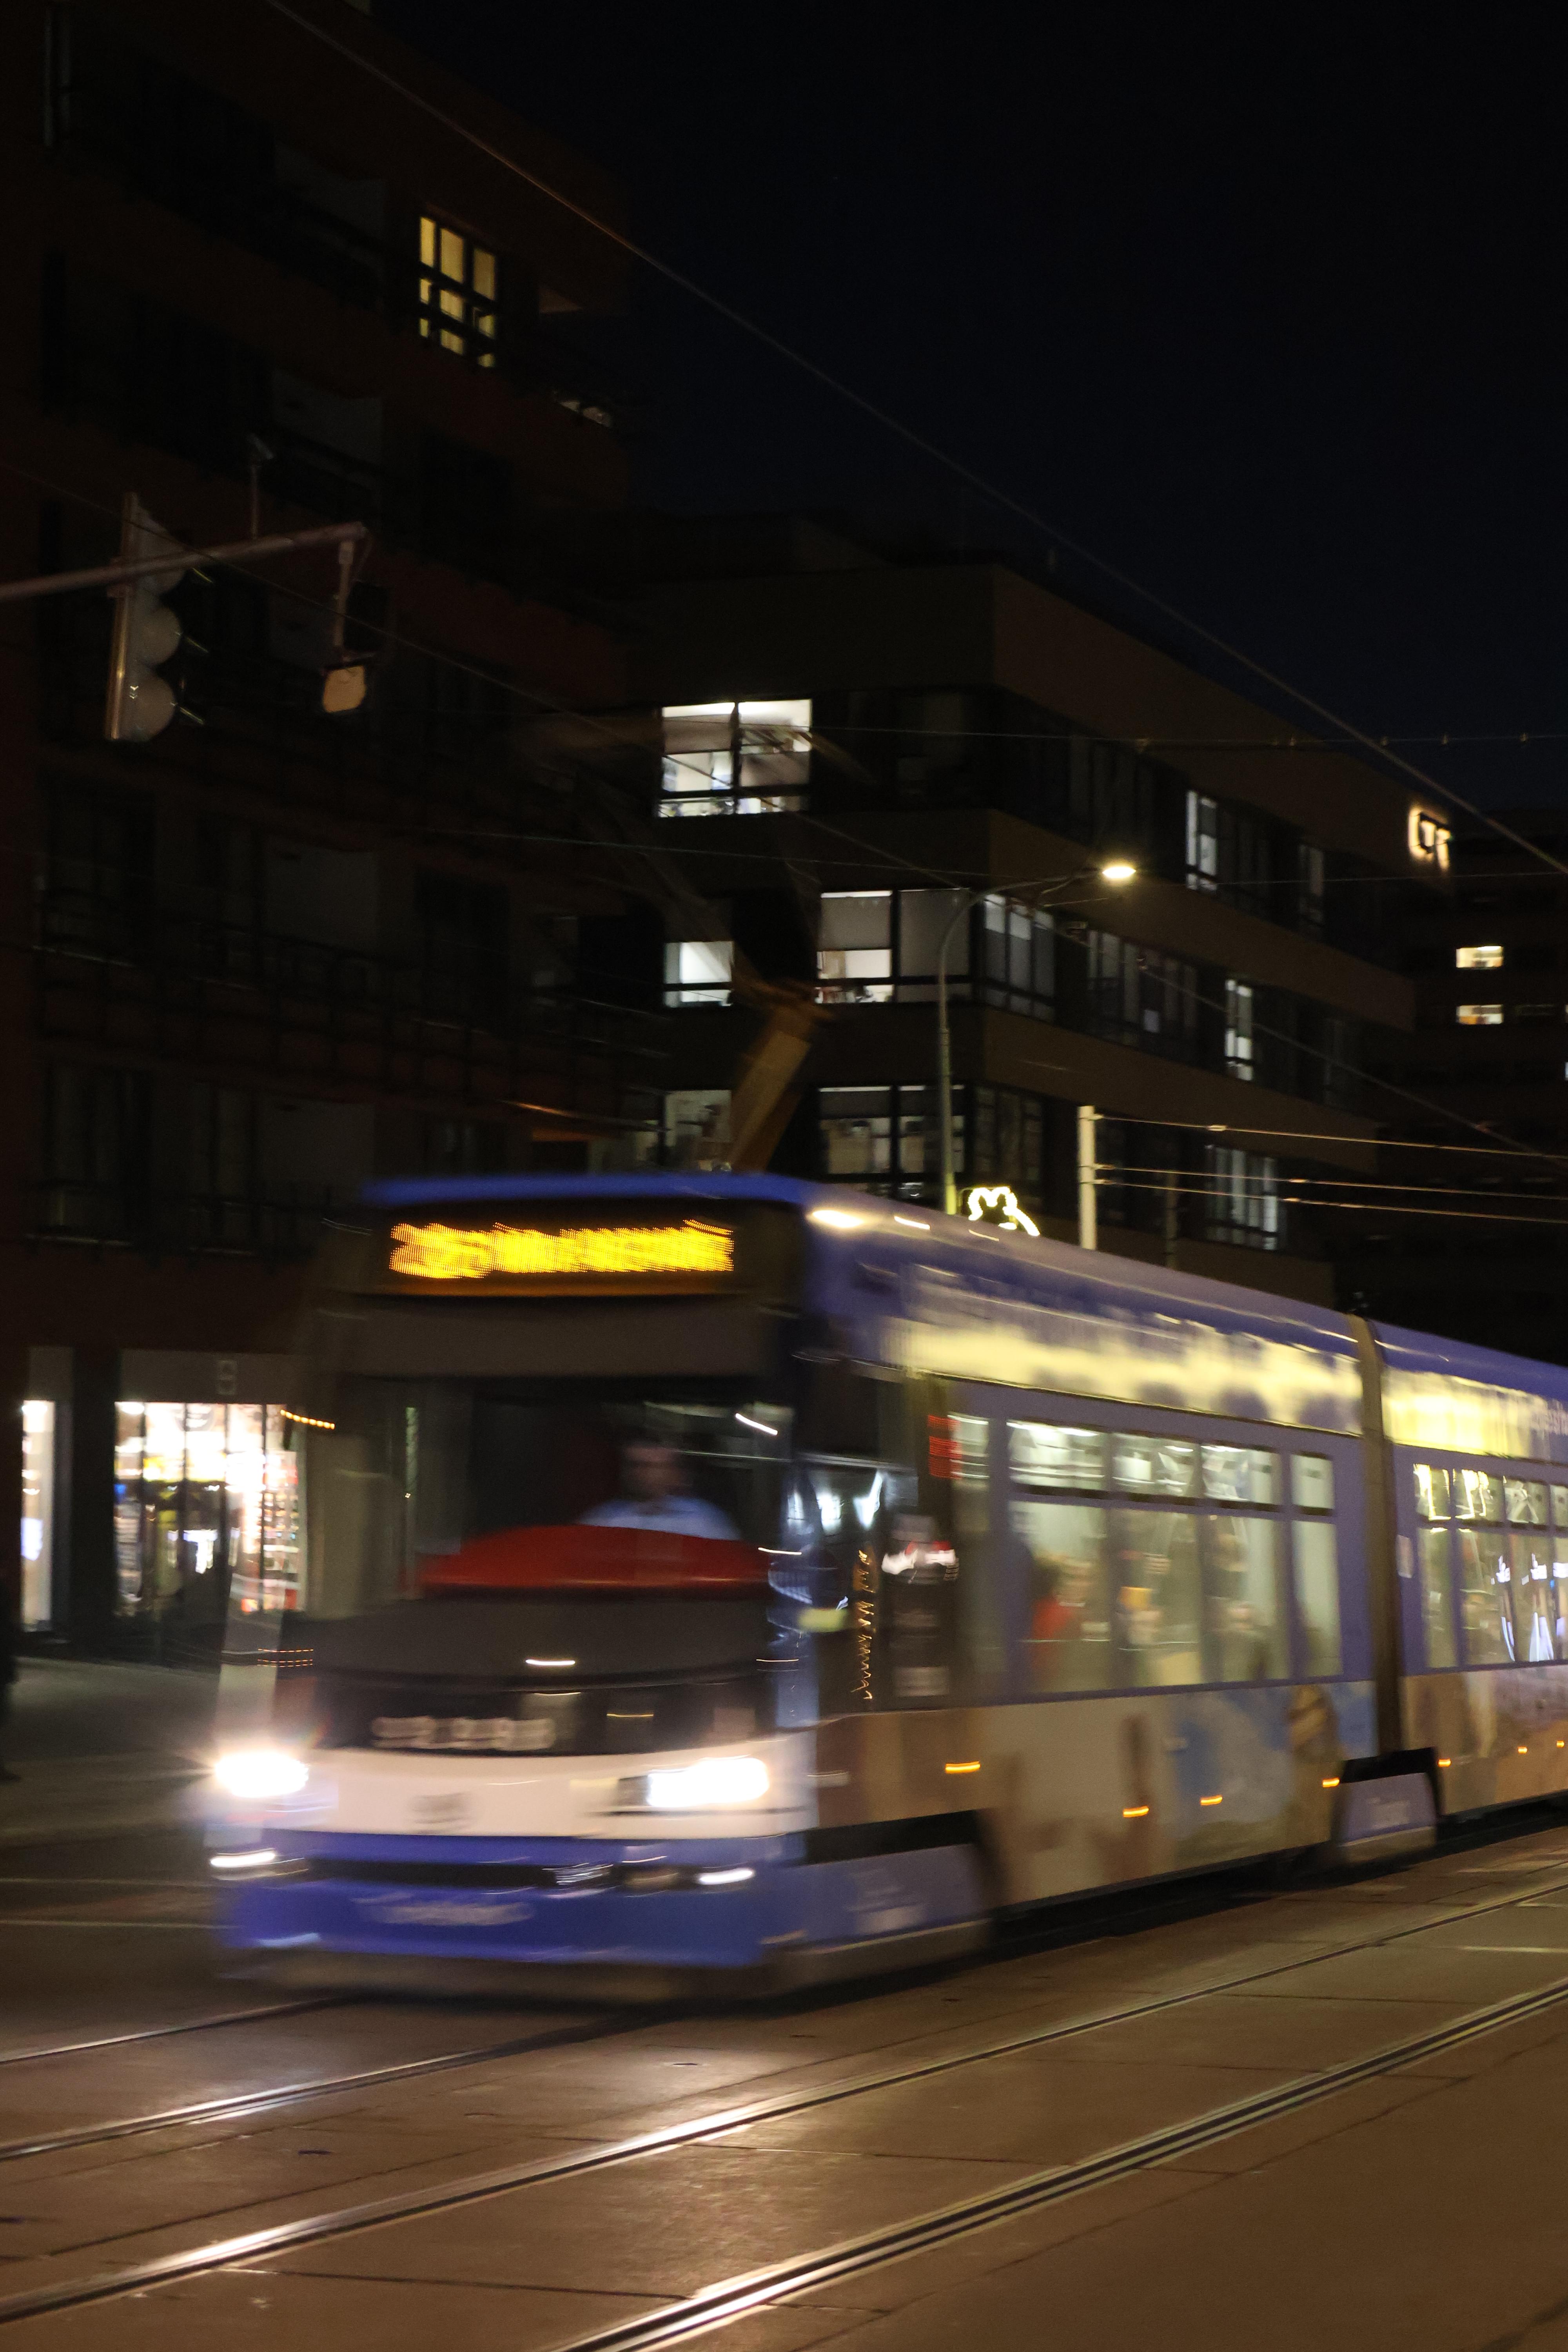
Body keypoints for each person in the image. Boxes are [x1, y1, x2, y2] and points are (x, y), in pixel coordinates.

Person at [580, 1438, 740, 1541]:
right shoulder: (602, 1521)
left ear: (673, 1471)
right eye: (637, 1465)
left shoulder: (705, 1520)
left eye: (656, 1467)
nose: (645, 1473)